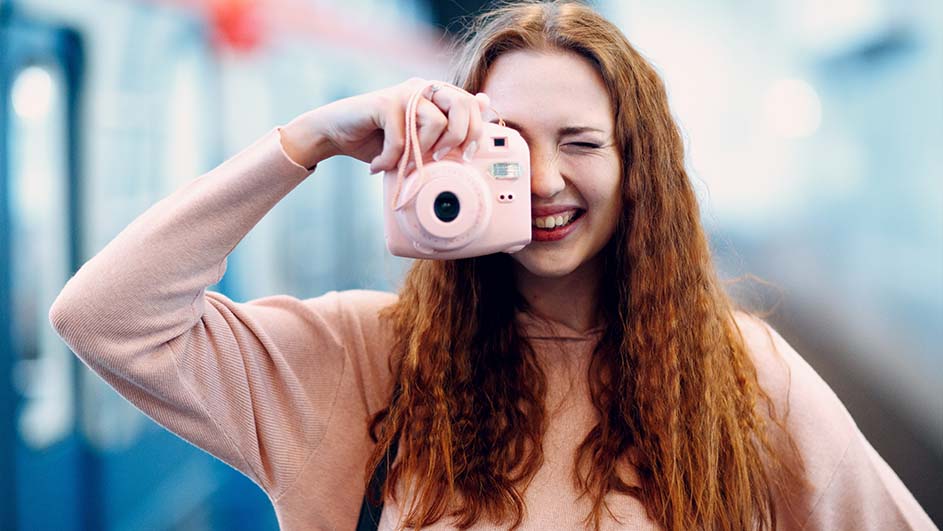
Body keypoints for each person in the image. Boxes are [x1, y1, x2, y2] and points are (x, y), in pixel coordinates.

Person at [49, 1, 935, 530]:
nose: (543, 179)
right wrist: (308, 140)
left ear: (639, 168)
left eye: (580, 142)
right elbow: (105, 318)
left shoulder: (739, 376)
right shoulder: (362, 357)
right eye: (504, 143)